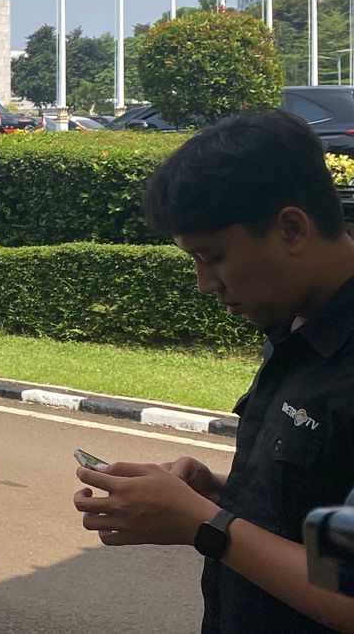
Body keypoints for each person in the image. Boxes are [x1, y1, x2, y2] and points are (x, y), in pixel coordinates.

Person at [75, 110, 354, 632]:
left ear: (291, 228)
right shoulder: (293, 329)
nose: (205, 284)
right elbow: (323, 509)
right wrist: (218, 494)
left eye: (213, 257)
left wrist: (205, 524)